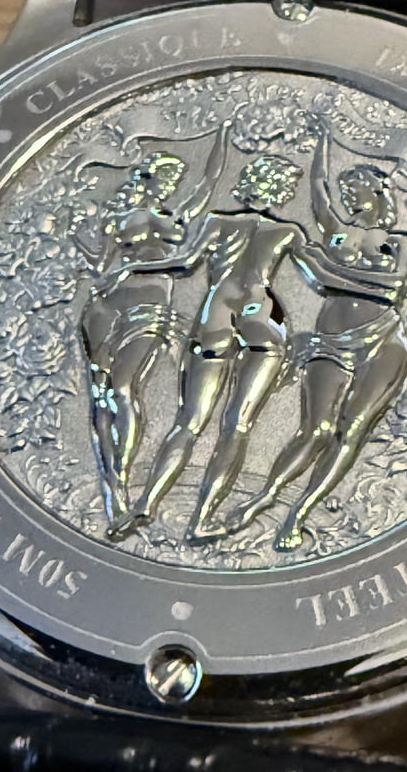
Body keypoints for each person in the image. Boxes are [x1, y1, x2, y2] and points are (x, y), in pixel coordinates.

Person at [228, 133, 407, 552]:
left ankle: (299, 513)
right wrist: (322, 142)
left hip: (383, 339)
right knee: (316, 429)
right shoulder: (336, 231)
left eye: (356, 188)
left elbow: (395, 287)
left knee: (352, 429)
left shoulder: (398, 241)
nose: (348, 195)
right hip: (329, 340)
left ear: (376, 192)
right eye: (346, 190)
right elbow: (318, 191)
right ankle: (265, 497)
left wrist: (329, 273)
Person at [111, 152, 305, 543]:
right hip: (264, 316)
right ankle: (201, 519)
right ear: (282, 191)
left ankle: (146, 503)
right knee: (238, 425)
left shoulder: (218, 221)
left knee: (189, 422)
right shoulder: (288, 232)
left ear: (247, 183)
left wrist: (131, 268)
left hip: (216, 313)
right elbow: (323, 273)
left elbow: (184, 262)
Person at [78, 124, 229, 528]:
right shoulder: (117, 217)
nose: (168, 186)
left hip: (147, 306)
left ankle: (122, 474)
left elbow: (209, 180)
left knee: (124, 388)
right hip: (105, 307)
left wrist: (223, 135)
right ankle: (110, 483)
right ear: (145, 177)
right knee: (100, 394)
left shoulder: (175, 217)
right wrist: (82, 241)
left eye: (172, 181)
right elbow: (100, 266)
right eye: (163, 178)